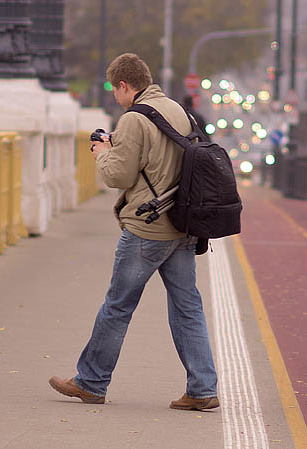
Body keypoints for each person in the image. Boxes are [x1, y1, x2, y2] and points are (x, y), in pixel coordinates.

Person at [48, 54, 219, 411]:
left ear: (124, 85)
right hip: (183, 225)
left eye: (115, 90)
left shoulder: (133, 119)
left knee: (117, 306)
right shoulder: (178, 111)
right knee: (188, 307)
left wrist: (102, 152)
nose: (115, 97)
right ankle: (203, 389)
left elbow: (118, 177)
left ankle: (91, 382)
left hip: (147, 229)